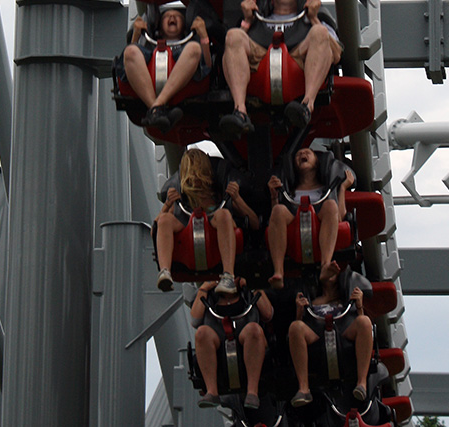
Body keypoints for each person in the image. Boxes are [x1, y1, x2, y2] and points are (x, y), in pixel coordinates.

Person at [219, 0, 342, 138]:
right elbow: (231, 49)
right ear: (270, 0)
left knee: (320, 32)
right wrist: (247, 20)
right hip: (259, 65)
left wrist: (313, 18)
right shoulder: (257, 21)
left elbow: (336, 54)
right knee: (233, 35)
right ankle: (240, 111)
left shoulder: (314, 21)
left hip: (298, 64)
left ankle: (306, 106)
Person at [154, 148, 259, 293]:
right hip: (188, 242)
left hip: (216, 236)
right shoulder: (179, 203)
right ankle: (165, 271)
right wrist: (167, 205)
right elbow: (156, 229)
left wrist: (237, 199)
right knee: (165, 219)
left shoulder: (221, 197)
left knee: (223, 215)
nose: (195, 178)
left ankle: (228, 275)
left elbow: (255, 223)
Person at [267, 147, 355, 290]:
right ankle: (278, 272)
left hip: (320, 224)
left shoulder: (326, 190)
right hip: (294, 224)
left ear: (316, 163)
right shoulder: (290, 192)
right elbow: (276, 219)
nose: (302, 154)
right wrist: (274, 196)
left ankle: (325, 265)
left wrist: (343, 188)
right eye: (298, 154)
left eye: (308, 152)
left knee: (331, 205)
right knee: (278, 209)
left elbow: (339, 217)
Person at [288, 261, 373, 407]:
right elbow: (300, 326)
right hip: (317, 335)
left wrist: (359, 305)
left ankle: (362, 383)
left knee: (365, 322)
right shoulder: (313, 300)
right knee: (295, 327)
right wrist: (299, 312)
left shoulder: (346, 299)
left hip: (343, 333)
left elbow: (358, 319)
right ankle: (303, 388)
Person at [119, 4, 211, 133]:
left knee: (194, 48)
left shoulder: (190, 48)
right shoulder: (147, 50)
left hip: (188, 83)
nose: (172, 17)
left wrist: (203, 36)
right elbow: (128, 64)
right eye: (167, 16)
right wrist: (136, 35)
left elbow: (207, 67)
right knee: (130, 51)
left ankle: (156, 108)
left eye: (177, 16)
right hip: (149, 78)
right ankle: (156, 109)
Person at [190, 277, 273, 410]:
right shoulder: (210, 296)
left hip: (246, 341)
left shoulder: (247, 294)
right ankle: (212, 391)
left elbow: (268, 314)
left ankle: (252, 391)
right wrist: (204, 288)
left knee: (254, 329)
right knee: (202, 332)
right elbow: (195, 320)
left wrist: (253, 286)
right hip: (219, 343)